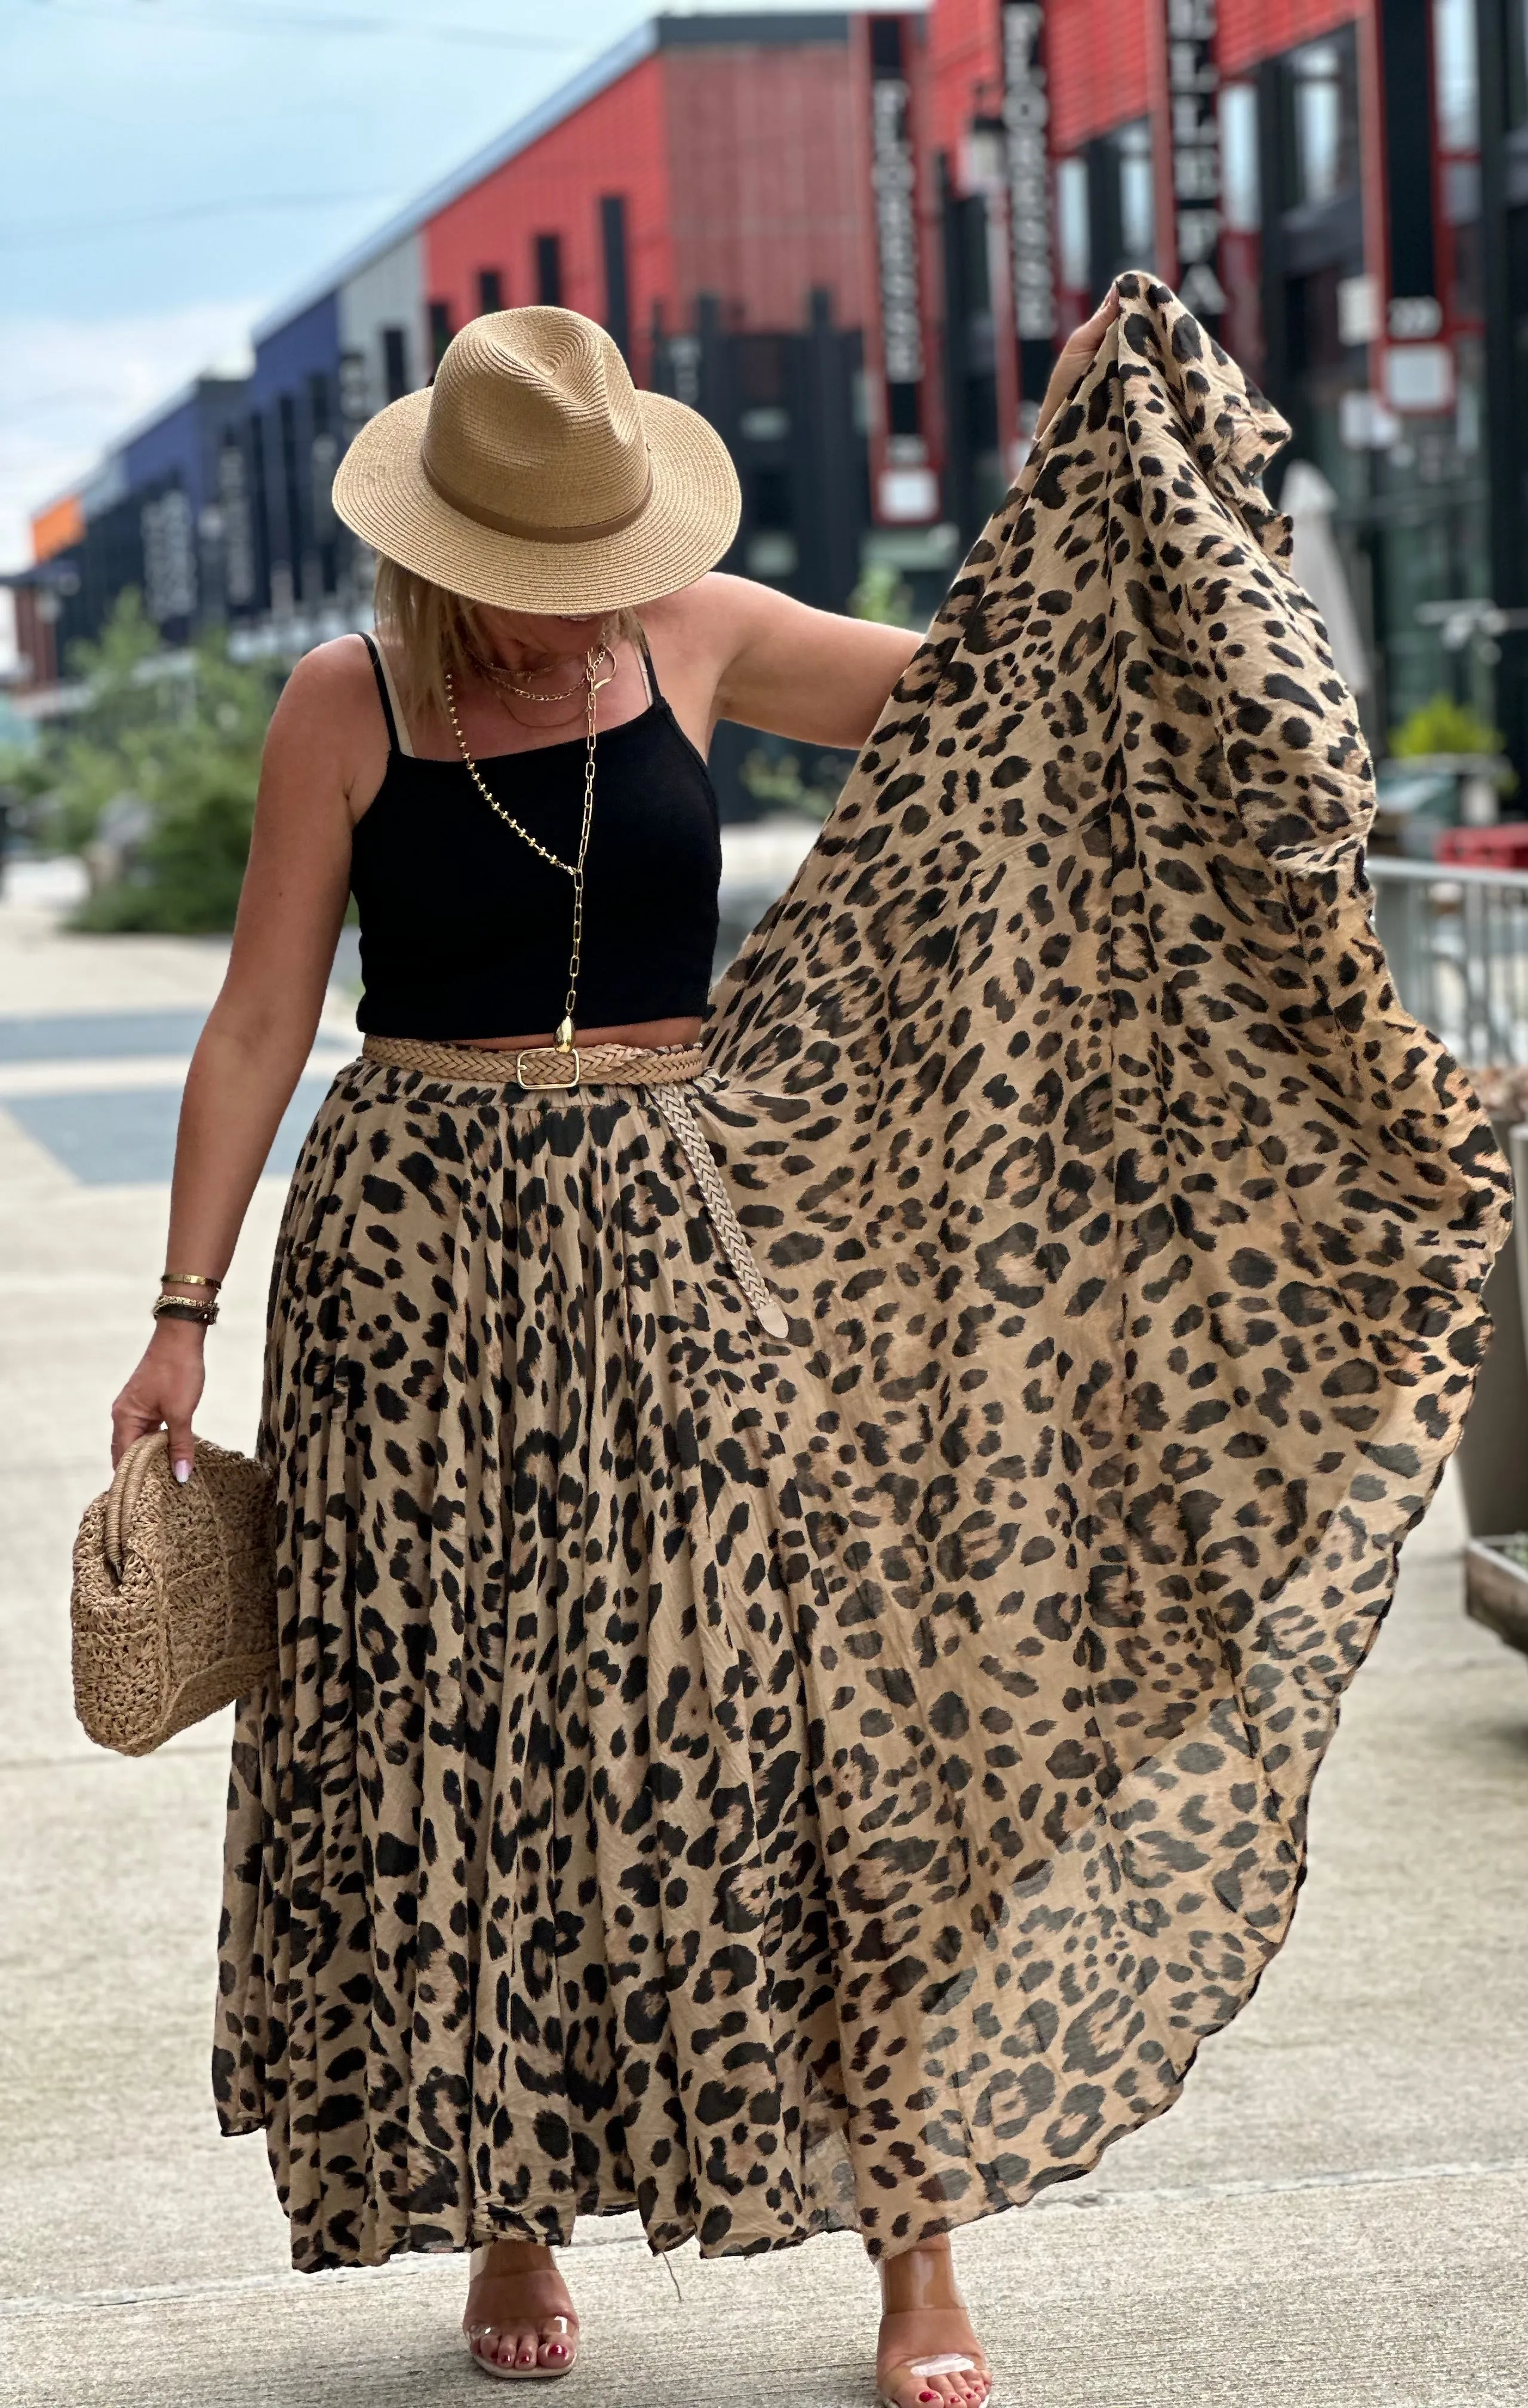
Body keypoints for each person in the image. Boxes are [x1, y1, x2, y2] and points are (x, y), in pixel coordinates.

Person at [110, 294, 1122, 2401]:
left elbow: (998, 706)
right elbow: (257, 1021)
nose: (553, 609)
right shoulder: (345, 697)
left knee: (795, 1720)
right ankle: (506, 2215)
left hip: (669, 1225)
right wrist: (181, 1319)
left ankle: (919, 2262)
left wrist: (1092, 465)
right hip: (405, 1268)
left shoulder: (704, 628)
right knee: (461, 1739)